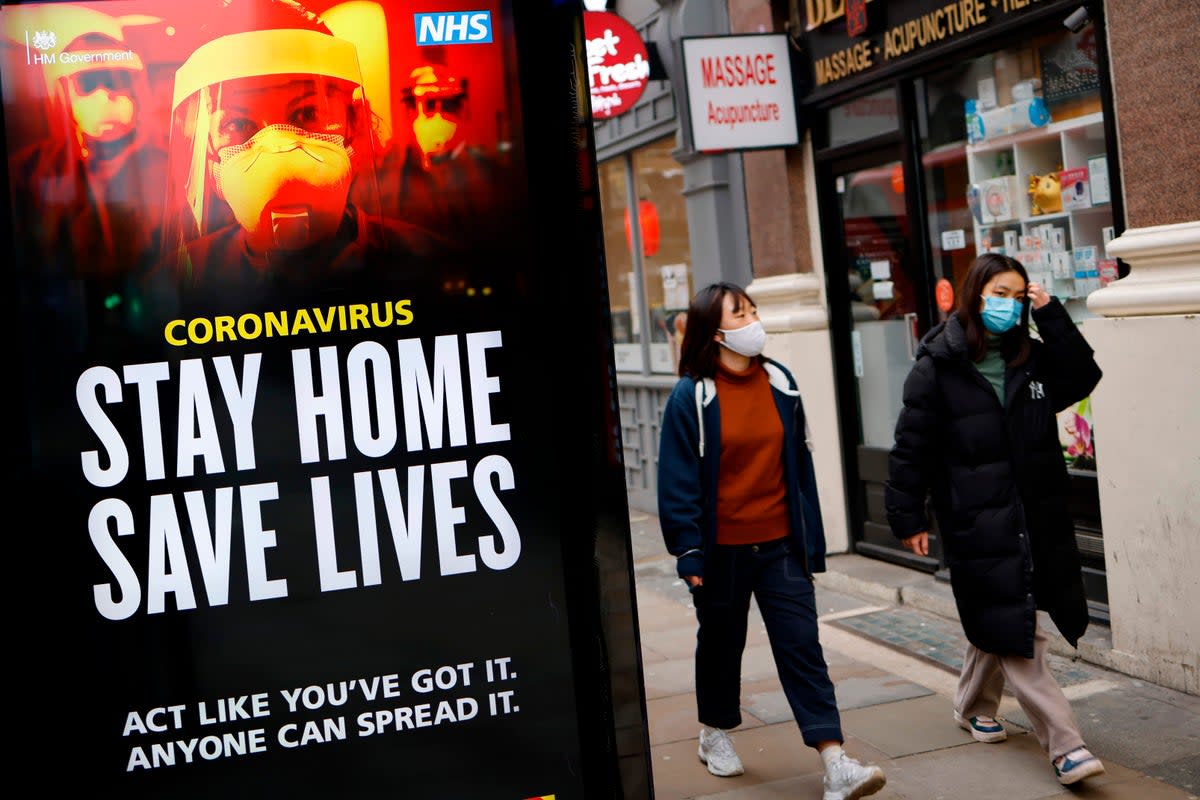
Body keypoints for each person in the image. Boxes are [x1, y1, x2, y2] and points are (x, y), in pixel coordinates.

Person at [657, 282, 886, 800]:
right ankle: (714, 732)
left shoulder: (781, 382)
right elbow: (677, 477)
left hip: (781, 544)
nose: (754, 319)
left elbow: (798, 467)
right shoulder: (691, 396)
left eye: (753, 309)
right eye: (742, 313)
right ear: (714, 333)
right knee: (721, 644)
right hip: (721, 552)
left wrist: (813, 539)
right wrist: (688, 549)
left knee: (802, 646)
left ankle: (835, 762)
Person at [884, 253, 1105, 786]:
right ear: (976, 295)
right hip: (976, 517)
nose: (1008, 303)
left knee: (999, 613)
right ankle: (1066, 745)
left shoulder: (1031, 358)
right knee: (1017, 627)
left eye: (1018, 294)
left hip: (1034, 513)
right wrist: (908, 515)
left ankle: (970, 705)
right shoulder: (938, 364)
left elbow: (1083, 373)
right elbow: (911, 447)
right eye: (999, 293)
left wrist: (1050, 313)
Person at [158, 0, 453, 311]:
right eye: (238, 123)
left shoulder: (434, 267)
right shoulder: (175, 282)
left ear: (353, 124)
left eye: (307, 112)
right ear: (209, 151)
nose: (278, 148)